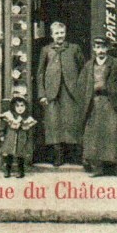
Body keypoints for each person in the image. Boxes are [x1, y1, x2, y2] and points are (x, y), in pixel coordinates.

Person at [78, 38, 117, 178]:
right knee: (95, 136)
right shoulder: (89, 65)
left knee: (113, 134)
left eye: (103, 47)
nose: (100, 50)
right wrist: (84, 101)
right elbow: (81, 84)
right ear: (94, 48)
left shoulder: (116, 64)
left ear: (108, 49)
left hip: (110, 103)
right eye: (97, 47)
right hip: (94, 103)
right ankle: (98, 168)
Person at [36, 22, 84, 167]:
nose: (60, 36)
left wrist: (81, 90)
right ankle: (58, 156)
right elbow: (40, 73)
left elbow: (83, 70)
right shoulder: (46, 50)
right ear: (52, 35)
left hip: (71, 92)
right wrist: (42, 94)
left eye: (62, 33)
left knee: (72, 122)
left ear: (65, 33)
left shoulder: (74, 49)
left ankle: (74, 156)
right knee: (54, 123)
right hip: (52, 93)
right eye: (56, 33)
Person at [0, 96, 37, 178]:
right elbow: (3, 126)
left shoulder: (27, 118)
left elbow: (29, 130)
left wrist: (29, 139)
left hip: (22, 139)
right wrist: (2, 135)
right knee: (8, 155)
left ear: (25, 107)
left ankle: (21, 172)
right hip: (10, 138)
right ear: (13, 106)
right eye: (17, 106)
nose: (20, 108)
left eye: (22, 106)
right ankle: (7, 171)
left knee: (20, 155)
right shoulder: (9, 116)